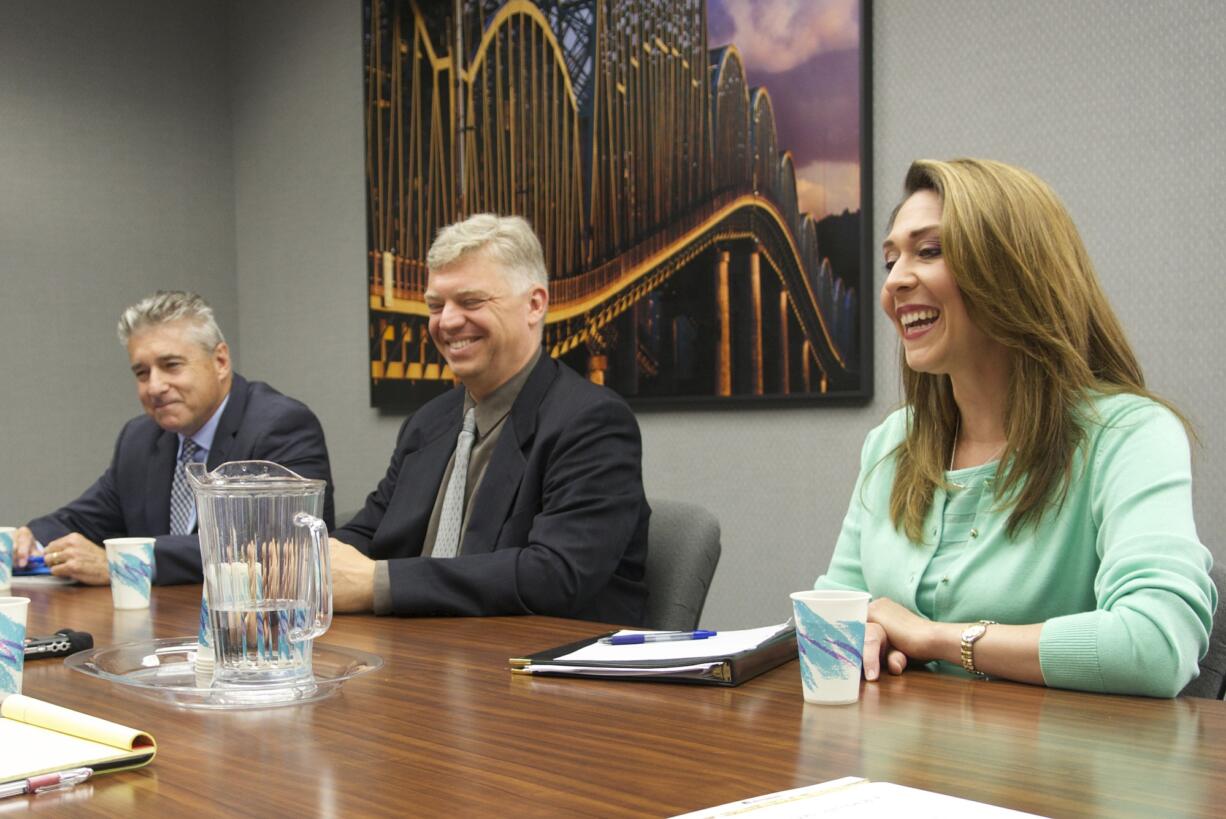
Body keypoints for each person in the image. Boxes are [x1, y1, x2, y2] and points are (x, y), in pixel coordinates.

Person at [815, 158, 1215, 698]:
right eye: (891, 259)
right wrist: (854, 632)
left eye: (929, 251)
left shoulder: (1130, 435)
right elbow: (829, 616)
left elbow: (1156, 645)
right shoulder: (891, 444)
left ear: (1012, 270)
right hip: (896, 771)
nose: (894, 282)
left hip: (1062, 775)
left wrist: (936, 639)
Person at [329, 213, 650, 623]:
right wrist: (309, 563)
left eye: (470, 301)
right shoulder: (426, 424)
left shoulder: (593, 423)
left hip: (533, 670)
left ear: (534, 305)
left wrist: (379, 582)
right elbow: (372, 532)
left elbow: (554, 576)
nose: (446, 321)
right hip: (417, 664)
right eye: (435, 305)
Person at [15, 291, 334, 585]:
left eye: (171, 366)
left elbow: (274, 544)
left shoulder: (280, 425)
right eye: (142, 373)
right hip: (158, 627)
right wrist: (32, 537)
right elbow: (87, 518)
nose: (154, 386)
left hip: (255, 628)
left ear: (220, 361)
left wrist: (125, 563)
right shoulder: (139, 438)